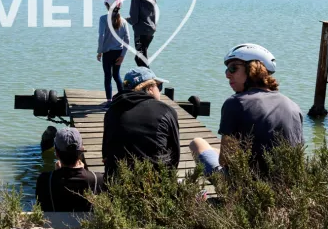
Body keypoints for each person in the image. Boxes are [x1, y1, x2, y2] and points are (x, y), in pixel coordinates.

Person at [191, 43, 303, 176]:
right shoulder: (294, 107)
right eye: (227, 70)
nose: (227, 75)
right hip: (285, 189)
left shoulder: (235, 103)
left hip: (243, 188)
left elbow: (225, 160)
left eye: (233, 68)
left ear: (253, 69)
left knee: (197, 143)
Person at [102, 67, 180, 181]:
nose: (159, 90)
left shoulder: (111, 112)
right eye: (159, 87)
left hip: (117, 184)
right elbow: (175, 156)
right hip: (155, 186)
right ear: (149, 88)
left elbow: (106, 155)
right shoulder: (167, 111)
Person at [35, 127, 105, 212]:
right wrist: (84, 172)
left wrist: (56, 174)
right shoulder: (98, 180)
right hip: (86, 225)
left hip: (54, 225)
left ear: (56, 153)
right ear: (81, 151)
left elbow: (42, 207)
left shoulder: (44, 180)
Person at [97, 0, 129, 105]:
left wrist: (99, 51)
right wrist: (122, 56)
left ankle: (109, 101)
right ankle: (123, 99)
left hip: (107, 53)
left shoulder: (103, 19)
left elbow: (101, 36)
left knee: (107, 76)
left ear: (107, 5)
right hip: (118, 53)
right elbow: (127, 40)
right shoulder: (124, 21)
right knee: (116, 75)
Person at [127, 0, 157, 67]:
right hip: (150, 31)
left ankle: (150, 79)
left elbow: (134, 19)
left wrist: (123, 20)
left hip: (140, 32)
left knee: (140, 58)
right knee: (141, 57)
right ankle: (148, 78)